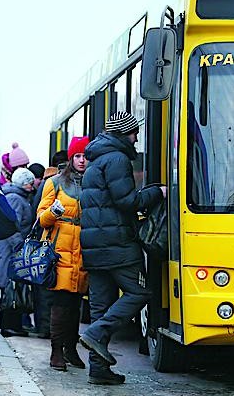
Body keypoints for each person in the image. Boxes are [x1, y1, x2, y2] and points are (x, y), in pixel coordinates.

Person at [79, 112, 165, 385]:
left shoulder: (95, 160)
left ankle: (98, 370)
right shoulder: (117, 159)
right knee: (140, 292)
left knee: (100, 307)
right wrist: (158, 192)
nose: (137, 138)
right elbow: (127, 201)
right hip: (117, 244)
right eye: (134, 132)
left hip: (94, 245)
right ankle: (96, 334)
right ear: (124, 133)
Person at [37, 136, 90, 372]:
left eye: (85, 156)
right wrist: (53, 212)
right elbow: (41, 218)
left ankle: (70, 348)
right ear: (70, 158)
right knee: (61, 303)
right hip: (59, 251)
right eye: (77, 156)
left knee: (76, 303)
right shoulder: (55, 183)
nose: (82, 160)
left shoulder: (92, 183)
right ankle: (56, 351)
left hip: (82, 250)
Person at [31, 150, 69, 338]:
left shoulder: (47, 182)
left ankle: (44, 327)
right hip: (48, 243)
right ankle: (46, 328)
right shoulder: (54, 183)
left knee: (46, 288)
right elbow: (40, 216)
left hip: (46, 243)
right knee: (48, 288)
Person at [0, 168, 36, 337]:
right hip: (10, 249)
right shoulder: (16, 199)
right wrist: (19, 246)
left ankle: (11, 324)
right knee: (11, 288)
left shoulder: (17, 197)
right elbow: (12, 225)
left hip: (9, 248)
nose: (32, 186)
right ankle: (9, 325)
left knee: (12, 287)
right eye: (29, 183)